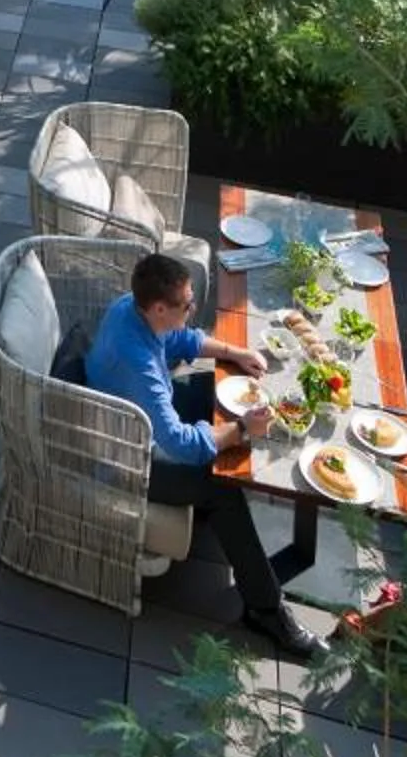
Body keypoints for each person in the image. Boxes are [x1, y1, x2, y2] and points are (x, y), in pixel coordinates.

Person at [83, 252, 320, 659]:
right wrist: (241, 430)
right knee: (222, 488)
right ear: (160, 308)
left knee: (217, 387)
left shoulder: (133, 307)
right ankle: (265, 609)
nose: (193, 310)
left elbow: (179, 338)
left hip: (135, 415)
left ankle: (234, 459)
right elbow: (180, 443)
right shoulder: (138, 363)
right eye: (187, 304)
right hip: (127, 456)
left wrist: (233, 352)